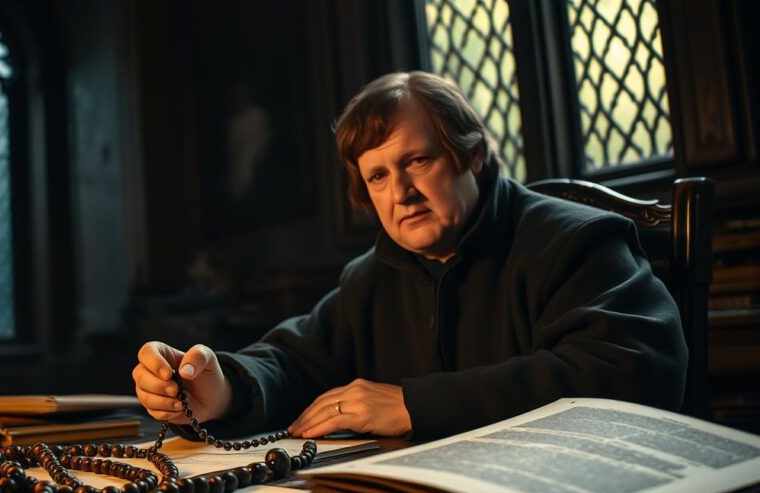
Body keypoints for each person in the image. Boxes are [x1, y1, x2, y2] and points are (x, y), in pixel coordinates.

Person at [131, 71, 687, 441]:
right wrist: (220, 386)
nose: (400, 192)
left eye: (417, 161)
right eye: (378, 175)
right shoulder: (370, 278)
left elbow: (630, 371)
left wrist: (414, 403)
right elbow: (295, 361)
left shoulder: (577, 241)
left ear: (470, 156)